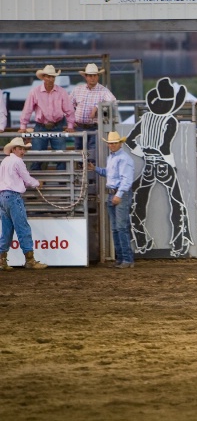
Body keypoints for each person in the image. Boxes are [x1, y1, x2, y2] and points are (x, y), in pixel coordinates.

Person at [89, 131, 135, 269]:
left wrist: (118, 195)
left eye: (114, 143)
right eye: (110, 143)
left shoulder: (123, 158)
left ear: (120, 143)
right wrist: (96, 169)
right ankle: (122, 259)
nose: (112, 145)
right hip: (115, 193)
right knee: (117, 228)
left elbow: (126, 180)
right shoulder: (114, 158)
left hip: (118, 194)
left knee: (120, 227)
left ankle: (126, 259)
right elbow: (110, 174)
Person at [0, 137, 47, 270]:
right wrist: (37, 183)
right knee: (23, 228)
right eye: (20, 149)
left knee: (6, 230)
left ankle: (1, 260)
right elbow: (27, 179)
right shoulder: (17, 161)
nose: (23, 151)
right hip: (13, 197)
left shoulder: (5, 161)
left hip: (3, 196)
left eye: (23, 149)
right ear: (14, 149)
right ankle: (30, 260)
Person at [18, 64, 76, 171]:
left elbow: (69, 110)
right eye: (48, 76)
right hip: (42, 126)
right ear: (44, 77)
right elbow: (28, 109)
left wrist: (70, 124)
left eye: (52, 77)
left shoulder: (61, 92)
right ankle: (37, 183)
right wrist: (23, 125)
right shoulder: (35, 92)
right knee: (37, 155)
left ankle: (62, 184)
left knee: (61, 157)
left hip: (57, 125)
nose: (50, 79)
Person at [71, 63, 117, 163]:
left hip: (94, 126)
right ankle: (80, 175)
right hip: (78, 126)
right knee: (79, 152)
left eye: (95, 75)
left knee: (92, 154)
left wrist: (97, 107)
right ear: (86, 77)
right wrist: (71, 121)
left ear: (98, 77)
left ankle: (91, 177)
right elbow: (69, 105)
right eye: (90, 75)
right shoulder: (78, 89)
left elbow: (113, 101)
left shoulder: (103, 90)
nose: (92, 78)